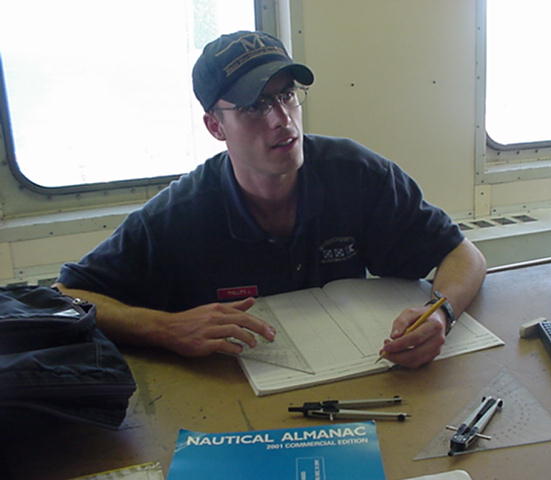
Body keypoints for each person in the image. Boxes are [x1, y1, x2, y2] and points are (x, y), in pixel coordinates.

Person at [54, 30, 486, 369]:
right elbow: (67, 294)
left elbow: (464, 255)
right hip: (228, 390)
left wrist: (439, 313)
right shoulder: (179, 214)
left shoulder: (356, 174)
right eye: (255, 107)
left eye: (286, 97)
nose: (282, 120)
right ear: (215, 126)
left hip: (358, 371)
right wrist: (165, 327)